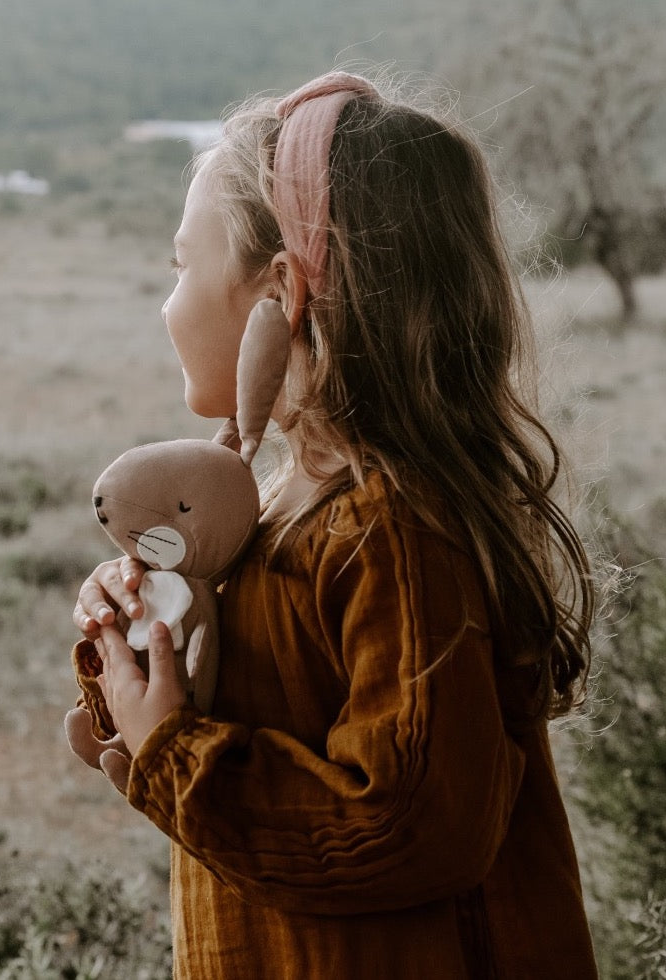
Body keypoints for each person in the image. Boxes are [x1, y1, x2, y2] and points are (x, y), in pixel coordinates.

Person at [68, 71, 599, 979]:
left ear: (280, 290)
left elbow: (404, 826)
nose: (167, 302)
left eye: (180, 265)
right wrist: (140, 652)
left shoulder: (387, 533)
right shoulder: (273, 513)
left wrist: (174, 749)